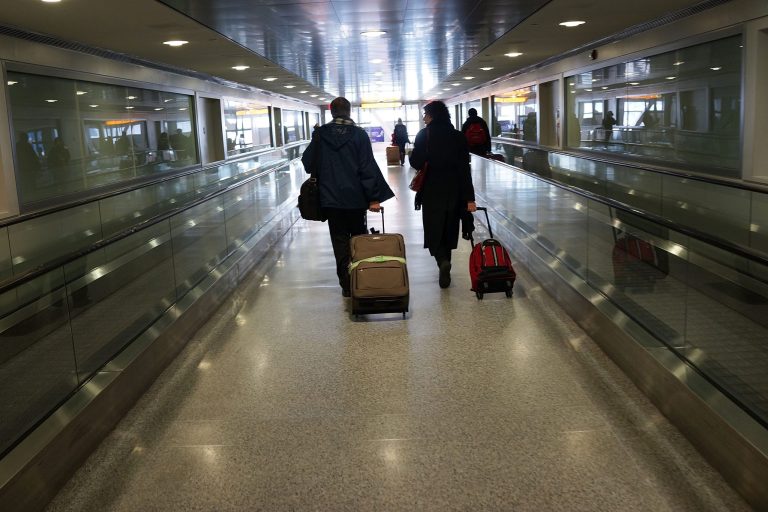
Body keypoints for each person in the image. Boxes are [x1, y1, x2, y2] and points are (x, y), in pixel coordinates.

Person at [301, 97, 395, 297]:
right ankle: (359, 276)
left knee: (338, 239)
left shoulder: (320, 135)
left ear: (331, 111)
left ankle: (345, 281)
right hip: (356, 199)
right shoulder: (359, 135)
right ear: (349, 111)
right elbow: (367, 168)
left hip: (330, 199)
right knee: (358, 239)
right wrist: (373, 198)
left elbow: (308, 163)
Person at [409, 100, 477, 289]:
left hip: (432, 189)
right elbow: (465, 169)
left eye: (425, 114)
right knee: (449, 226)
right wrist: (469, 198)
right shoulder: (458, 136)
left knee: (433, 227)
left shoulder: (425, 134)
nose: (424, 118)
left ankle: (441, 261)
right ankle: (446, 259)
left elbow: (416, 162)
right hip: (454, 189)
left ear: (432, 115)